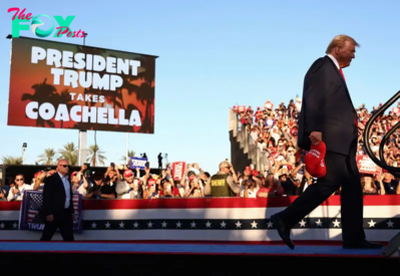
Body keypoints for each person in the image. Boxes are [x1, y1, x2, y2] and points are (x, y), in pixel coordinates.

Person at [271, 35, 383, 250]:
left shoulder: (334, 72)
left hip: (343, 140)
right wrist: (315, 130)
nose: (354, 55)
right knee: (328, 183)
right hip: (331, 139)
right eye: (351, 50)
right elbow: (314, 98)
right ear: (337, 48)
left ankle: (353, 238)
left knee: (352, 188)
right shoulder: (322, 65)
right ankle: (285, 218)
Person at [40, 159, 74, 241]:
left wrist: (72, 211)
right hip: (54, 214)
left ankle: (71, 253)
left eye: (68, 166)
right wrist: (49, 213)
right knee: (46, 237)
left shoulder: (67, 180)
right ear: (58, 167)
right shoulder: (51, 180)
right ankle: (38, 252)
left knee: (69, 238)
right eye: (64, 166)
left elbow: (69, 197)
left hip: (66, 214)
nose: (67, 168)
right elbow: (47, 197)